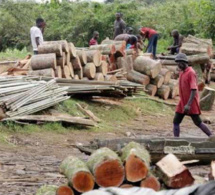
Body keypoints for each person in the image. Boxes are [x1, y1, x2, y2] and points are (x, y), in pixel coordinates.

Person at [173, 53, 213, 137]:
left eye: (179, 63)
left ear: (184, 62)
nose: (178, 65)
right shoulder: (182, 72)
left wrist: (188, 104)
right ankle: (176, 140)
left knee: (197, 122)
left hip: (191, 102)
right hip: (182, 101)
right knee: (176, 121)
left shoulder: (191, 72)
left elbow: (194, 89)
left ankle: (211, 136)